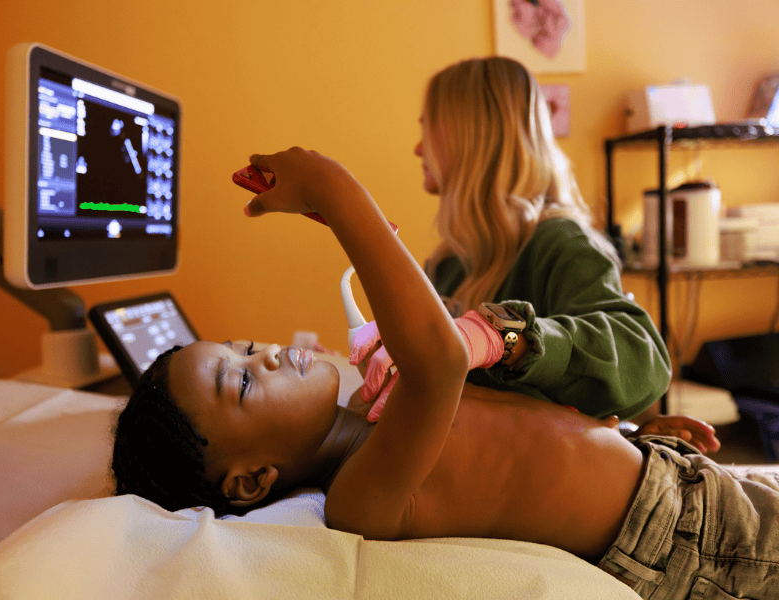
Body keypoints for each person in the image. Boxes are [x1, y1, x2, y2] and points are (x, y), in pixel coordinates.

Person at [113, 148, 775, 600]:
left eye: (247, 346)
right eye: (245, 382)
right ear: (253, 479)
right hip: (684, 542)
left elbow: (522, 439)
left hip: (670, 480)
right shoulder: (360, 494)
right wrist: (339, 196)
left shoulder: (379, 413)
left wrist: (632, 435)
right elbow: (440, 364)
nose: (266, 355)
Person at [402, 56, 671, 421]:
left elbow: (643, 359)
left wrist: (508, 338)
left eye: (427, 128)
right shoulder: (447, 265)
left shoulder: (561, 243)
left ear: (469, 134)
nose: (419, 149)